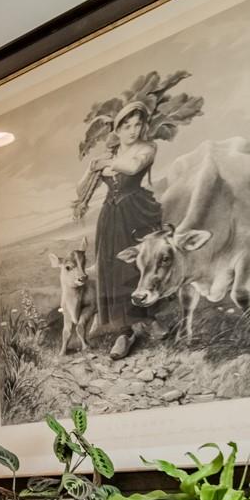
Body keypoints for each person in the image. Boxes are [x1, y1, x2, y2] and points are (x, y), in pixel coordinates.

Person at [74, 101, 164, 358]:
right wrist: (92, 167)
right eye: (127, 126)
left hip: (136, 211)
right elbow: (81, 191)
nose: (133, 131)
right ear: (117, 129)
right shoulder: (108, 157)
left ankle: (150, 317)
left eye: (138, 125)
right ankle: (123, 333)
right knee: (113, 269)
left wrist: (107, 164)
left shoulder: (147, 148)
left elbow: (134, 167)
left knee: (141, 264)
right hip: (111, 217)